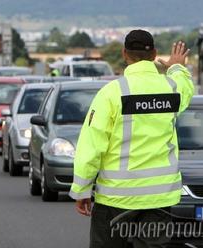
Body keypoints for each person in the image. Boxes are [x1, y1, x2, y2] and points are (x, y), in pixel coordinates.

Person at [69, 30, 194, 248]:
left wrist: (82, 189)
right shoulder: (171, 88)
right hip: (159, 198)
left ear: (124, 54)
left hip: (116, 199)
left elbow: (91, 146)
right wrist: (176, 66)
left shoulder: (111, 93)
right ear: (155, 53)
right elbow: (184, 87)